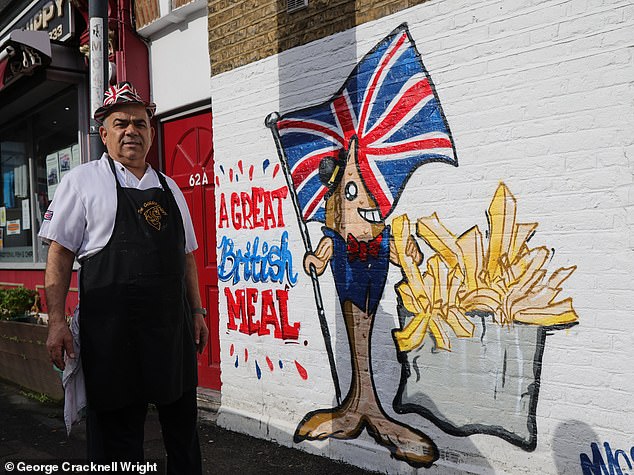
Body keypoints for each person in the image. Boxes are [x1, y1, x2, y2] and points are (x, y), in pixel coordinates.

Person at [40, 81, 209, 473]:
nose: (131, 130)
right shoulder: (82, 182)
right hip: (112, 336)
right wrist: (56, 321)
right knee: (118, 441)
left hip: (171, 332)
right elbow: (60, 253)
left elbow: (186, 258)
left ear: (151, 132)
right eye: (120, 124)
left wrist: (197, 312)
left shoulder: (170, 188)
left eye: (140, 123)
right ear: (104, 133)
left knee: (182, 433)